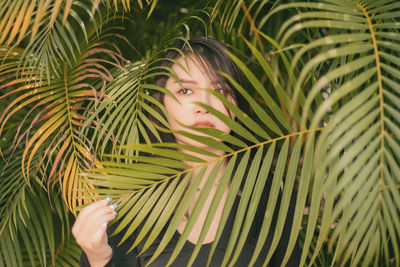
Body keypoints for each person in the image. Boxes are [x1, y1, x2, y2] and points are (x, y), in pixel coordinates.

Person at [72, 36, 300, 266]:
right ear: (161, 104)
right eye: (185, 91)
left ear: (236, 104)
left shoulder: (268, 194)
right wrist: (98, 257)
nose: (205, 105)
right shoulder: (133, 201)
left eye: (220, 90)